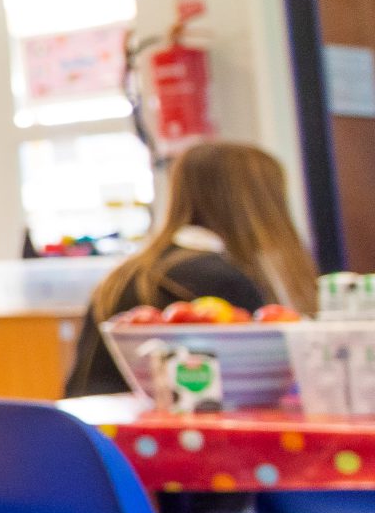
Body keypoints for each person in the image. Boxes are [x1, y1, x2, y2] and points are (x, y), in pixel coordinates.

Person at [65, 140, 318, 395]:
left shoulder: (126, 273)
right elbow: (245, 394)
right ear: (260, 205)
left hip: (95, 428)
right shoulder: (222, 281)